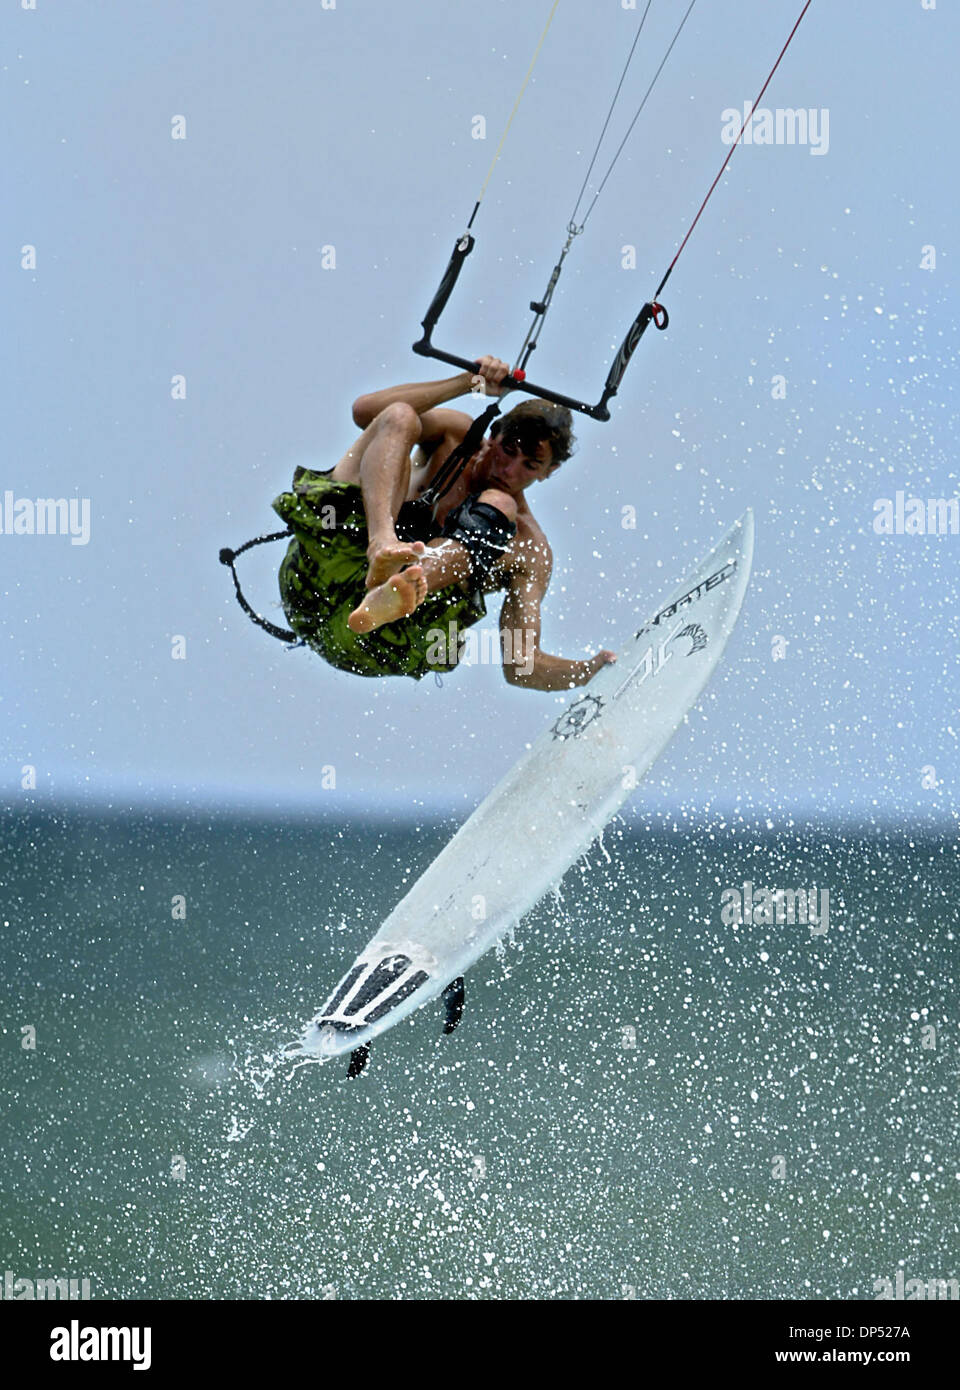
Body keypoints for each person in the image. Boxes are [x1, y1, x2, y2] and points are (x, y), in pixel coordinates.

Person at [271, 355, 616, 687]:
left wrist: (589, 671)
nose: (509, 469)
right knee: (400, 416)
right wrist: (470, 382)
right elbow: (366, 412)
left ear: (548, 472)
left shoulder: (529, 546)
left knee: (500, 505)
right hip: (314, 578)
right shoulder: (455, 437)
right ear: (493, 436)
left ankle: (400, 590)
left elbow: (522, 667)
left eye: (529, 464)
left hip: (380, 642)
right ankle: (383, 546)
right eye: (508, 450)